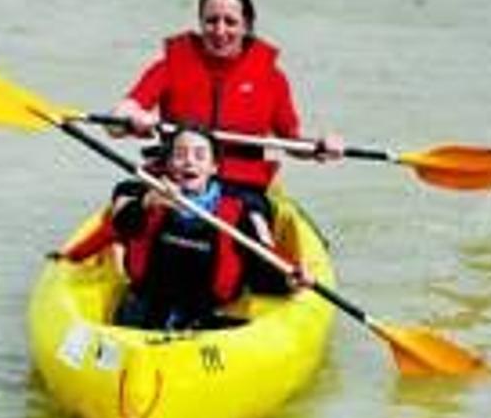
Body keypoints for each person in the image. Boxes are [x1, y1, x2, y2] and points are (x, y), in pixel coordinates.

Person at [109, 0, 343, 254]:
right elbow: (119, 117)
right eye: (211, 20)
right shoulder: (170, 66)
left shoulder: (272, 78)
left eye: (230, 22)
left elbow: (291, 140)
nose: (219, 31)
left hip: (241, 186)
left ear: (246, 26)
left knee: (252, 225)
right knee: (125, 193)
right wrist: (133, 118)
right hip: (176, 177)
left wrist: (320, 148)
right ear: (200, 23)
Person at [51, 129, 306, 330]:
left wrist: (290, 277)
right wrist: (72, 254)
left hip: (209, 312)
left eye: (199, 155)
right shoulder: (144, 195)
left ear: (214, 167)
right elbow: (116, 228)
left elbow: (261, 259)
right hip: (147, 305)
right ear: (169, 163)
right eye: (180, 154)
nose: (188, 162)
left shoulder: (237, 210)